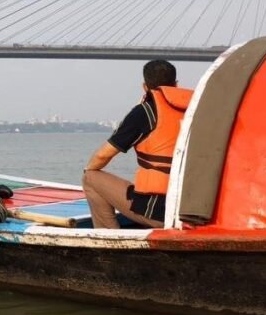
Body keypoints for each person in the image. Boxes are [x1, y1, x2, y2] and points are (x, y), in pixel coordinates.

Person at [82, 60, 193, 229]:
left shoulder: (145, 112)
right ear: (176, 84)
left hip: (158, 213)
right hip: (193, 212)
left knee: (90, 178)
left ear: (144, 87)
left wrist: (88, 168)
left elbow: (102, 155)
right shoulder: (196, 112)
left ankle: (109, 238)